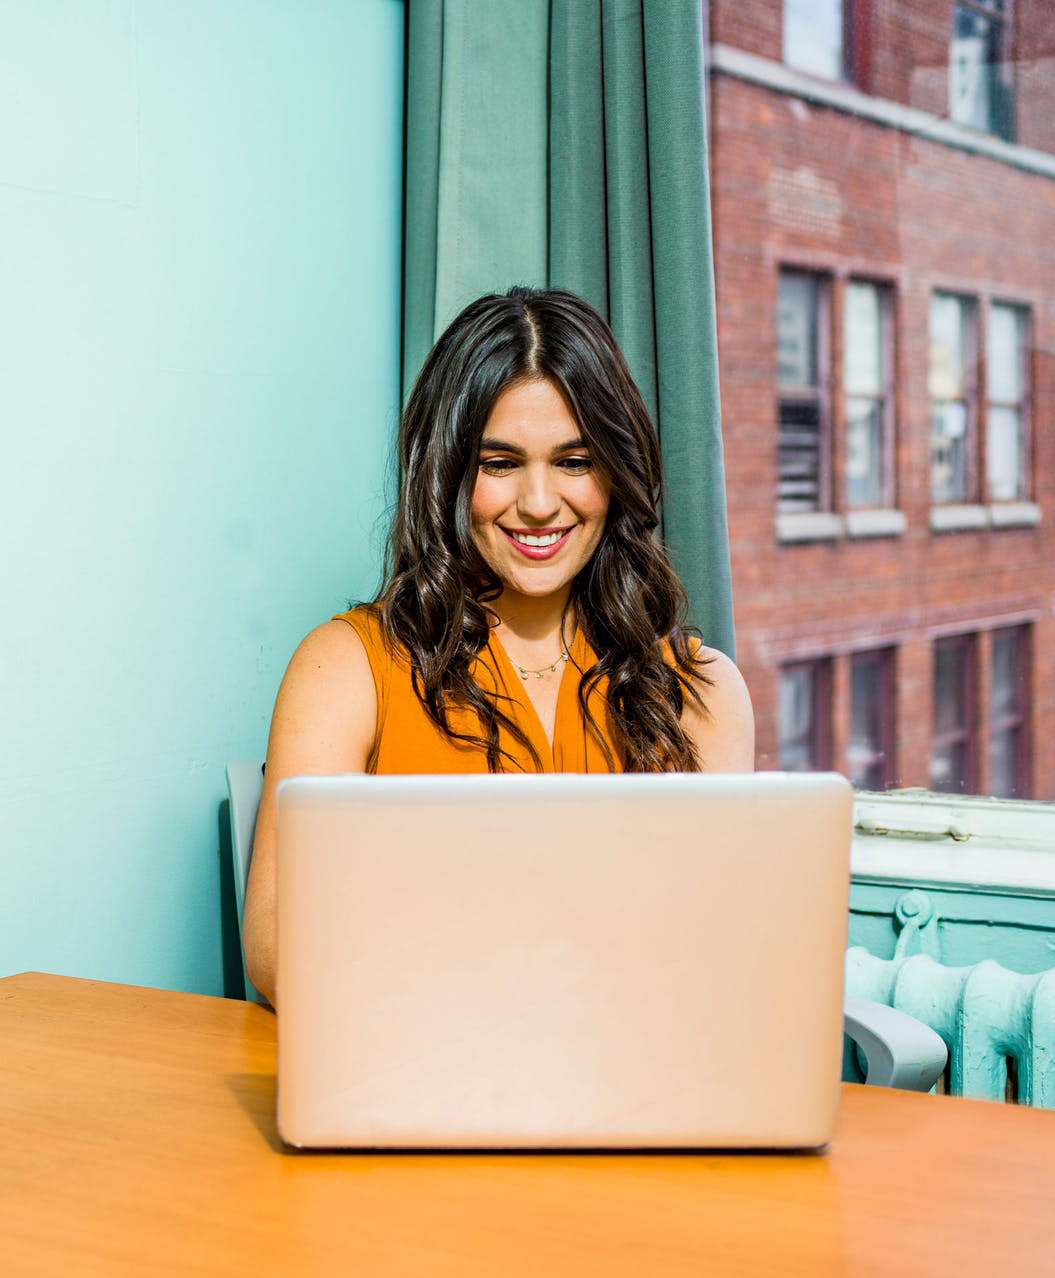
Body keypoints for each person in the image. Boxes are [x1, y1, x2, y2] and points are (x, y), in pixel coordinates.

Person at [243, 286, 754, 1005]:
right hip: (417, 1069)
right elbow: (277, 955)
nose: (540, 503)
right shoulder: (343, 668)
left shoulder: (701, 689)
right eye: (499, 463)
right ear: (448, 473)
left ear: (617, 471)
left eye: (575, 462)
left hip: (636, 1086)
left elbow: (719, 954)